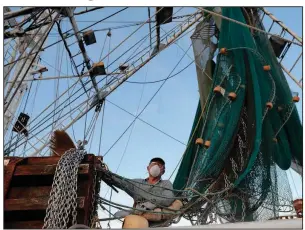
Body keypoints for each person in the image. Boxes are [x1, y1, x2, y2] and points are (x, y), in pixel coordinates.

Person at [100, 157, 176, 219]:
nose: (156, 166)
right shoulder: (137, 183)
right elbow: (121, 181)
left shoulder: (166, 183)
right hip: (138, 219)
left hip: (158, 225)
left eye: (159, 165)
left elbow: (168, 198)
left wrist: (148, 205)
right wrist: (104, 173)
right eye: (153, 164)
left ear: (163, 171)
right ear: (148, 168)